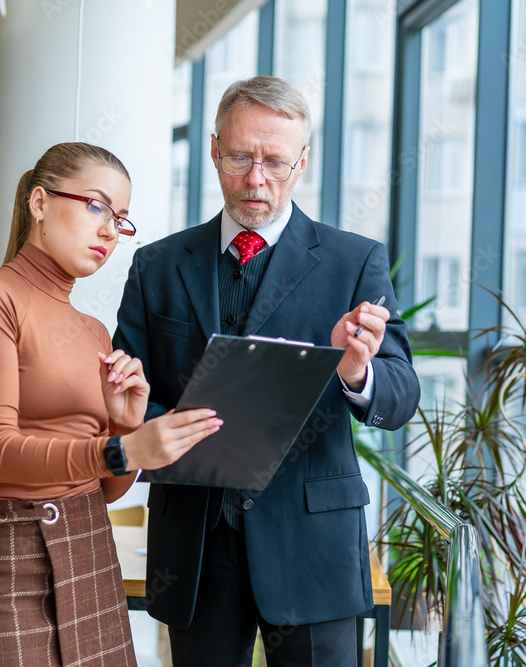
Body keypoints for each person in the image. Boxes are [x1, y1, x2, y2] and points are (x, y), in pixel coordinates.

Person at [113, 76, 421, 666]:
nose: (257, 179)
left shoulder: (355, 262)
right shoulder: (155, 265)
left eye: (276, 162)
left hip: (312, 548)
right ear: (213, 150)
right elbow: (126, 397)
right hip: (197, 548)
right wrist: (154, 426)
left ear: (301, 162)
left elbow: (401, 396)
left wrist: (358, 373)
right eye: (240, 157)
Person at [0, 142, 222, 666]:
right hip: (5, 553)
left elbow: (106, 489)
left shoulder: (93, 330)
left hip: (89, 544)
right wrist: (121, 451)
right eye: (96, 206)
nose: (111, 230)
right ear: (39, 202)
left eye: (121, 218)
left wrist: (123, 425)